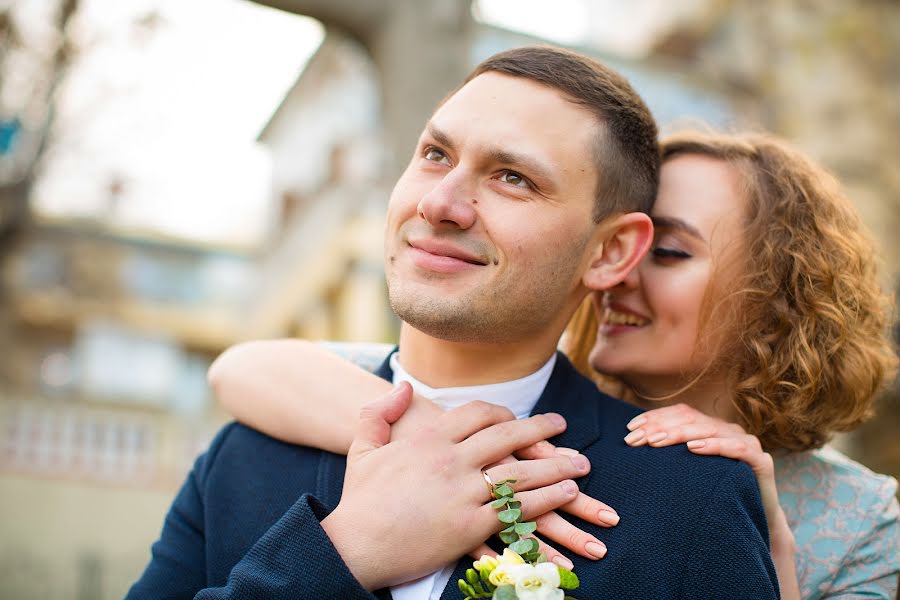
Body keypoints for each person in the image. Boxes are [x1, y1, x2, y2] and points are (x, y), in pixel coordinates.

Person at [128, 47, 779, 599]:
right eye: (435, 155)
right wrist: (341, 554)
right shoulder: (242, 456)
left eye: (513, 178)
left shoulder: (693, 500)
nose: (440, 204)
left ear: (610, 252)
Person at [208, 132, 900, 599]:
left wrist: (765, 549)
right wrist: (446, 441)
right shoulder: (507, 408)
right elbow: (243, 369)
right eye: (616, 245)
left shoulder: (864, 522)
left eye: (667, 253)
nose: (620, 275)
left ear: (776, 298)